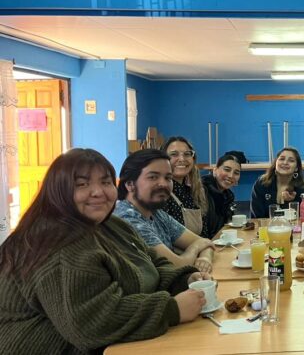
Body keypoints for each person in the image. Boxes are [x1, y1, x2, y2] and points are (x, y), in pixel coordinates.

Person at [0, 149, 209, 354]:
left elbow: (151, 264)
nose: (98, 191)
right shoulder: (55, 243)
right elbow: (91, 323)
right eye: (82, 184)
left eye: (105, 182)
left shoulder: (112, 225)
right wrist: (172, 309)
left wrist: (185, 280)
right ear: (58, 191)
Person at [114, 149, 215, 273]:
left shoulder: (156, 213)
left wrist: (205, 258)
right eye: (153, 177)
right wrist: (196, 248)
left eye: (168, 177)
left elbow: (205, 242)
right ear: (130, 184)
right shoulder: (127, 218)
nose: (163, 184)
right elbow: (176, 266)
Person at [161, 136, 216, 238]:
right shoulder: (161, 195)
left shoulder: (195, 191)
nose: (182, 159)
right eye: (174, 154)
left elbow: (204, 233)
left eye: (187, 154)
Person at [250, 147, 304, 218]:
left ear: (296, 168)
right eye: (282, 159)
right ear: (275, 164)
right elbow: (256, 218)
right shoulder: (261, 184)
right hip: (266, 228)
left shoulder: (303, 188)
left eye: (291, 160)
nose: (285, 162)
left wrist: (289, 203)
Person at [203, 151, 246, 236]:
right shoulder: (201, 190)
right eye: (227, 169)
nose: (231, 175)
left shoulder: (228, 196)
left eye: (236, 173)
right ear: (215, 170)